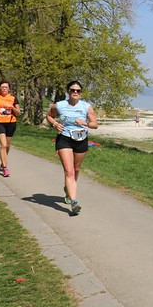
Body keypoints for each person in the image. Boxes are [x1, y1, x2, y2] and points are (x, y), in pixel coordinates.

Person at [45, 80, 99, 215]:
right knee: (69, 171)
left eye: (78, 91)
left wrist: (85, 123)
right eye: (72, 90)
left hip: (81, 139)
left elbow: (95, 124)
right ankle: (74, 202)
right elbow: (49, 116)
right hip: (64, 139)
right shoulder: (59, 105)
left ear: (81, 93)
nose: (75, 92)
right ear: (68, 92)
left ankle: (68, 190)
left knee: (76, 169)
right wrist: (55, 124)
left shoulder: (86, 107)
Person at [0, 81, 20, 177]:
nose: (4, 88)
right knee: (3, 144)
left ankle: (3, 160)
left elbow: (18, 113)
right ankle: (5, 166)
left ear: (9, 89)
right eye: (2, 87)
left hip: (11, 122)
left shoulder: (13, 98)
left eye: (6, 87)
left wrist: (12, 107)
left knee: (7, 145)